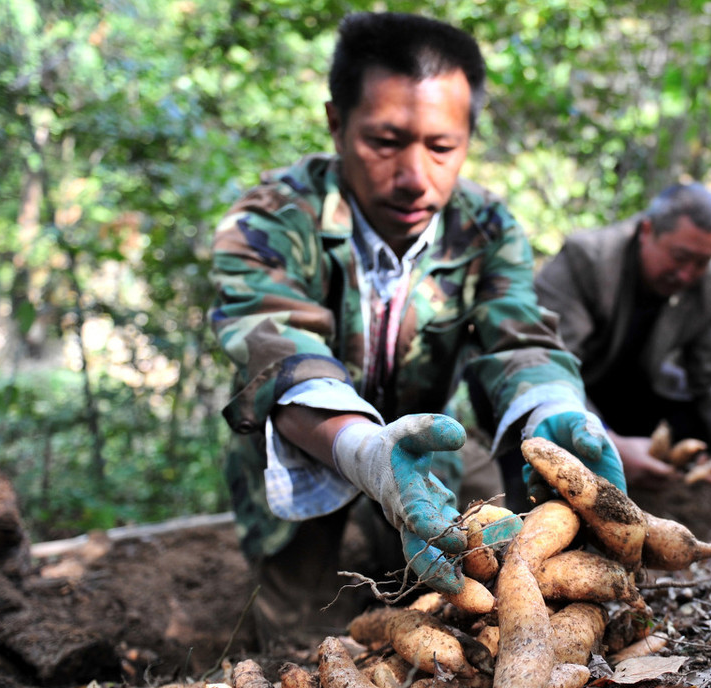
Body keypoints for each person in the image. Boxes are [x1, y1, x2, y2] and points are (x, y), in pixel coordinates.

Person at [208, 11, 622, 647]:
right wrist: (368, 454)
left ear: (467, 140)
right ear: (336, 124)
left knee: (478, 594)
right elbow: (280, 359)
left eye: (440, 147)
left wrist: (554, 405)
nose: (414, 176)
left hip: (430, 439)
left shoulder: (486, 226)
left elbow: (518, 335)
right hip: (308, 442)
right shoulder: (270, 222)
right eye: (385, 142)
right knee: (298, 645)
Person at [534, 183, 711, 490]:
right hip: (562, 386)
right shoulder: (586, 259)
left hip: (627, 387)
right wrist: (603, 439)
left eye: (701, 263)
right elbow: (546, 360)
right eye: (680, 257)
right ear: (647, 231)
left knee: (700, 417)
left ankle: (653, 482)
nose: (687, 275)